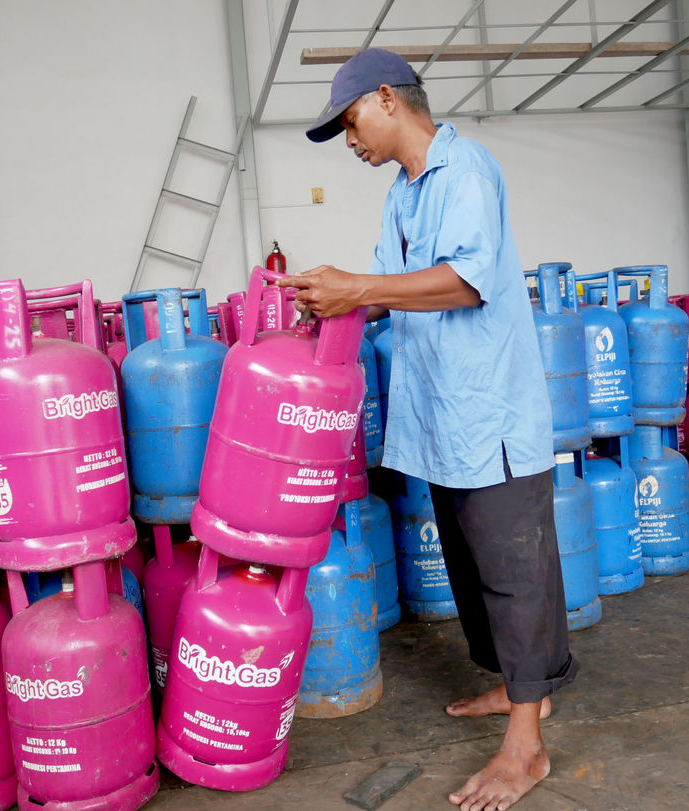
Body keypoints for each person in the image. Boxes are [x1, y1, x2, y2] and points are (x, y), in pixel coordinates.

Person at [276, 48, 578, 811]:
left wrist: (361, 287)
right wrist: (338, 295)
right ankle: (520, 691)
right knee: (476, 568)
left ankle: (527, 742)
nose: (350, 142)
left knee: (516, 575)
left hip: (492, 412)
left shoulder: (465, 171)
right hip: (442, 414)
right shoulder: (404, 195)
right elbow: (391, 290)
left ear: (387, 98)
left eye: (350, 123)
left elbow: (467, 280)